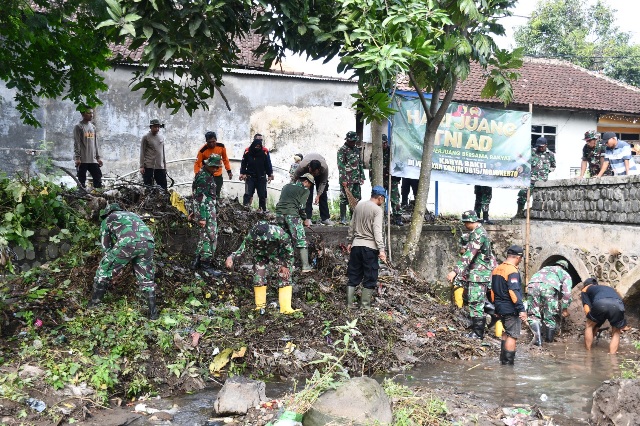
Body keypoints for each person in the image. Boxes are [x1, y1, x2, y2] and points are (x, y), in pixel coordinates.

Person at [89, 203, 158, 319]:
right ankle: (153, 315)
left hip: (128, 242)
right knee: (146, 278)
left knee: (103, 270)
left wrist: (113, 266)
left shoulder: (108, 219)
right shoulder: (133, 215)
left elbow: (105, 246)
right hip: (149, 243)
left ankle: (93, 306)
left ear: (107, 213)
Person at [225, 221, 297, 315]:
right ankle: (260, 307)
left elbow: (289, 251)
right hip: (260, 254)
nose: (259, 239)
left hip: (277, 254)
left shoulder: (279, 233)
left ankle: (286, 308)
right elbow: (242, 249)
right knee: (258, 277)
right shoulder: (251, 234)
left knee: (284, 275)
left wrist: (286, 266)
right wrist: (231, 257)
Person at [446, 210, 497, 339]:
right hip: (476, 273)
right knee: (474, 300)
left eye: (465, 222)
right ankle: (480, 326)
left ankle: (478, 333)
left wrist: (455, 271)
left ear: (470, 222)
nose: (464, 225)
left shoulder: (479, 234)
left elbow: (469, 255)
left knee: (476, 302)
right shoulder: (475, 233)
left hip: (479, 274)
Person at [345, 186, 387, 309]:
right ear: (380, 197)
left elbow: (351, 225)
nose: (383, 201)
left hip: (356, 246)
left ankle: (349, 304)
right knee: (370, 276)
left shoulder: (359, 205)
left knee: (353, 274)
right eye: (383, 199)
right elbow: (377, 231)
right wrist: (381, 249)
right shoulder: (377, 210)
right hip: (370, 248)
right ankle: (364, 306)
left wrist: (349, 241)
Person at [490, 245, 526, 365]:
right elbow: (513, 291)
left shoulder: (497, 269)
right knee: (513, 335)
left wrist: (495, 305)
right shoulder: (512, 271)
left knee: (506, 332)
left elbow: (492, 290)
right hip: (510, 308)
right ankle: (509, 364)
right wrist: (521, 309)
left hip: (499, 307)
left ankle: (503, 361)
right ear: (518, 257)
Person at [526, 260, 573, 346]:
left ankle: (538, 341)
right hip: (549, 288)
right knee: (550, 316)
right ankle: (548, 343)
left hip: (532, 285)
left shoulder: (544, 269)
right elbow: (567, 294)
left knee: (533, 315)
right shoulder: (564, 273)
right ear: (565, 268)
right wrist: (564, 308)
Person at [190, 154, 223, 277]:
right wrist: (202, 217)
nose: (216, 169)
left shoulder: (203, 174)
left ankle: (196, 261)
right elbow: (200, 198)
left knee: (204, 235)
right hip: (206, 211)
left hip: (205, 210)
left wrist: (195, 212)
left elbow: (196, 196)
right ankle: (206, 264)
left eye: (217, 167)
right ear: (208, 165)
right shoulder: (204, 177)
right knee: (210, 236)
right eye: (214, 167)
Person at [275, 173, 315, 273]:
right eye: (310, 185)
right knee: (301, 239)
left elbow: (281, 200)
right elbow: (301, 207)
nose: (309, 187)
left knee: (283, 239)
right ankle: (306, 267)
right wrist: (305, 219)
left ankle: (283, 265)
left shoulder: (286, 186)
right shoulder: (305, 190)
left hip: (279, 214)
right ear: (306, 182)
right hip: (292, 215)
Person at [581, 278, 630, 354]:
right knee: (616, 332)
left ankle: (588, 353)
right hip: (618, 304)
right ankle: (612, 358)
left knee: (589, 325)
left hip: (601, 303)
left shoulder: (585, 289)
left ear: (585, 285)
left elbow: (586, 306)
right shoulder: (608, 288)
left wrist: (590, 318)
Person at [516, 137, 555, 218]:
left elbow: (553, 166)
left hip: (542, 182)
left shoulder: (550, 154)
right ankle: (519, 214)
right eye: (539, 146)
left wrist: (546, 172)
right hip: (530, 181)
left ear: (546, 145)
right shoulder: (532, 152)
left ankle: (539, 216)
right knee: (522, 196)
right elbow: (522, 158)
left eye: (542, 146)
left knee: (541, 200)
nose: (540, 148)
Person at [369, 134, 403, 226]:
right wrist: (372, 181)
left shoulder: (392, 152)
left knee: (395, 199)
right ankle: (380, 218)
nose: (384, 145)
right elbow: (371, 169)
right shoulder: (375, 153)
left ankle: (397, 217)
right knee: (379, 200)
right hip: (381, 180)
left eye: (385, 143)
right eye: (382, 143)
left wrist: (397, 178)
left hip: (392, 180)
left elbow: (398, 166)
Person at [293, 153, 333, 225]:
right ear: (309, 167)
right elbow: (295, 177)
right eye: (311, 172)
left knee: (323, 195)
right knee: (307, 193)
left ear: (319, 170)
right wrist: (291, 188)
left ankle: (325, 218)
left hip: (320, 176)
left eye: (314, 173)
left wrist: (318, 195)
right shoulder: (302, 166)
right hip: (306, 174)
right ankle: (307, 218)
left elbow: (323, 182)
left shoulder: (324, 168)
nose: (313, 175)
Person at [337, 131, 365, 225]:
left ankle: (354, 218)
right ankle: (343, 218)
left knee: (356, 198)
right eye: (352, 141)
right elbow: (341, 166)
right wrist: (343, 180)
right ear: (348, 140)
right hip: (347, 180)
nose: (353, 143)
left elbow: (360, 163)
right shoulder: (342, 150)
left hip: (356, 178)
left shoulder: (356, 149)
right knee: (344, 198)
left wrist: (362, 176)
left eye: (354, 141)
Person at [240, 134, 274, 211]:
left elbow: (268, 163)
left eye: (261, 141)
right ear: (254, 141)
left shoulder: (264, 151)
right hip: (250, 177)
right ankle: (245, 210)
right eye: (258, 141)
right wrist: (242, 173)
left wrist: (270, 174)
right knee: (248, 195)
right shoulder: (247, 151)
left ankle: (262, 211)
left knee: (262, 196)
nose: (259, 144)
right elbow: (244, 163)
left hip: (261, 177)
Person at [194, 131, 233, 198]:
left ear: (216, 140)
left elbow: (225, 159)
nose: (212, 144)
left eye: (213, 141)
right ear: (206, 141)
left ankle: (215, 206)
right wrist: (197, 175)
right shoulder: (202, 150)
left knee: (217, 194)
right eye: (209, 142)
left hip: (218, 175)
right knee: (207, 194)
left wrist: (229, 171)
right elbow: (197, 163)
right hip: (207, 175)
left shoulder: (221, 147)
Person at [73, 105, 103, 189]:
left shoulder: (93, 127)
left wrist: (98, 157)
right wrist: (77, 158)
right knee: (82, 180)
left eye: (92, 113)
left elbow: (95, 143)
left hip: (93, 159)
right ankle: (82, 197)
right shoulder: (79, 127)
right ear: (83, 114)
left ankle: (98, 196)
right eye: (89, 113)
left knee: (98, 177)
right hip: (83, 159)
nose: (91, 115)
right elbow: (77, 143)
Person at [139, 119, 167, 189]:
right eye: (155, 127)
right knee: (148, 187)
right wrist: (141, 166)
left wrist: (165, 167)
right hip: (149, 166)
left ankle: (163, 200)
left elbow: (163, 153)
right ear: (150, 127)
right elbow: (142, 151)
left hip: (160, 167)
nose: (157, 129)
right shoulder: (145, 137)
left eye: (158, 127)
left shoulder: (161, 137)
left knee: (163, 187)